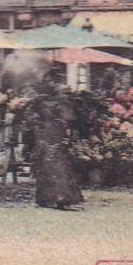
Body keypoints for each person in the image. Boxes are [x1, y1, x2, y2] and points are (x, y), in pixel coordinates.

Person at [27, 81, 84, 210]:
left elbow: (29, 120)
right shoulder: (58, 102)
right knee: (54, 163)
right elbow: (69, 117)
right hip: (51, 132)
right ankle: (59, 196)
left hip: (46, 133)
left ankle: (49, 197)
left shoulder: (38, 102)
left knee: (48, 163)